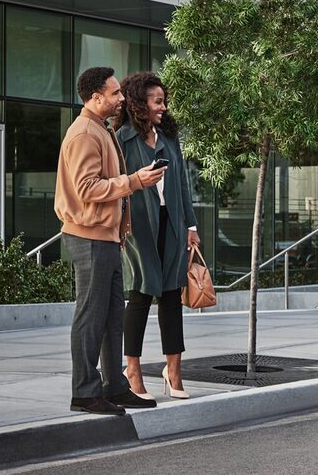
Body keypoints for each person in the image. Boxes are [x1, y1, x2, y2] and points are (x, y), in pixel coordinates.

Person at [55, 67, 165, 415]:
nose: (121, 98)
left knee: (112, 316)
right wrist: (134, 181)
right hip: (88, 238)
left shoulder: (101, 129)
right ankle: (85, 393)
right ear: (95, 96)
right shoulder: (85, 134)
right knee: (90, 316)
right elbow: (87, 188)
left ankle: (114, 386)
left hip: (105, 237)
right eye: (115, 93)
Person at [114, 72, 199, 400]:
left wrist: (190, 226)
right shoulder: (121, 138)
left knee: (170, 297)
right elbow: (118, 185)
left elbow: (182, 184)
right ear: (139, 103)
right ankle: (132, 369)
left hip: (172, 224)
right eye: (157, 101)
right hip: (139, 228)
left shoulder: (168, 137)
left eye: (164, 101)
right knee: (139, 295)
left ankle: (173, 369)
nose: (163, 107)